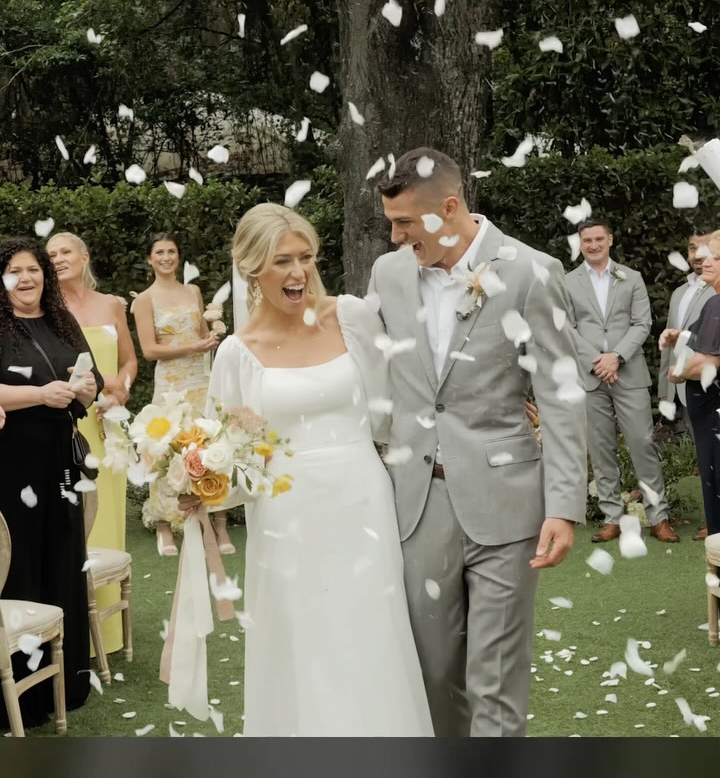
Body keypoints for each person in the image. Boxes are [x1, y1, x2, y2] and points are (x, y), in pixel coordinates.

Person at [370, 148, 587, 738]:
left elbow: (562, 394)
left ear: (448, 207)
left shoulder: (530, 270)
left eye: (405, 223)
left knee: (494, 677)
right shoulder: (388, 275)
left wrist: (564, 505)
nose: (395, 236)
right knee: (435, 671)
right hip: (418, 503)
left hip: (507, 502)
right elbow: (364, 365)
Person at [205, 202, 434, 736]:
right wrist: (200, 481)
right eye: (282, 260)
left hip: (361, 499)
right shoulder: (235, 354)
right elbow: (224, 461)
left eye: (305, 257)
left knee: (370, 631)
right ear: (251, 268)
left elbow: (406, 397)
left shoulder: (349, 316)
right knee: (301, 638)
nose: (299, 272)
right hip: (286, 515)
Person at [0, 236, 103, 729]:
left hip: (60, 462)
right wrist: (40, 393)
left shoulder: (61, 319)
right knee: (21, 566)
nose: (25, 278)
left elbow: (94, 378)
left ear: (45, 273)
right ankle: (20, 694)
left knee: (62, 559)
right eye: (14, 271)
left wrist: (86, 387)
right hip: (11, 466)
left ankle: (66, 681)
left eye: (32, 269)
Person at [47, 231, 137, 652]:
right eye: (51, 254)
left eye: (65, 251)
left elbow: (129, 360)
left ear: (84, 255)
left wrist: (120, 389)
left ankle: (112, 632)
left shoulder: (113, 304)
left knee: (109, 517)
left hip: (109, 427)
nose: (58, 258)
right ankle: (79, 629)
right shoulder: (46, 309)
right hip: (70, 424)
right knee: (80, 520)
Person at [565, 218, 678, 543]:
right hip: (590, 376)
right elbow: (568, 328)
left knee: (642, 443)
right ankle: (612, 516)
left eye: (599, 239)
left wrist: (616, 357)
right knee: (600, 449)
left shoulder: (632, 278)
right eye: (587, 240)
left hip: (628, 372)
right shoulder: (569, 282)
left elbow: (642, 323)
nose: (593, 245)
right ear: (580, 243)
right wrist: (596, 361)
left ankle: (658, 516)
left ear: (610, 240)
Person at [131, 233, 222, 556]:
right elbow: (150, 350)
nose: (167, 257)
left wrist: (210, 336)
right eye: (160, 252)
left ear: (178, 256)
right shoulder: (144, 299)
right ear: (149, 259)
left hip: (200, 377)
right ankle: (164, 524)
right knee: (167, 448)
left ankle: (206, 518)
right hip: (170, 381)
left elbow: (199, 334)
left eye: (171, 251)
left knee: (202, 446)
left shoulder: (193, 291)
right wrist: (193, 346)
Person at [657, 227, 716, 539]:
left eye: (707, 252)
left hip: (710, 391)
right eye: (693, 249)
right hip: (685, 390)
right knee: (704, 458)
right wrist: (666, 393)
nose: (699, 257)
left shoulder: (716, 294)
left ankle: (715, 522)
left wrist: (685, 370)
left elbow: (711, 350)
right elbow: (672, 344)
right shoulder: (679, 293)